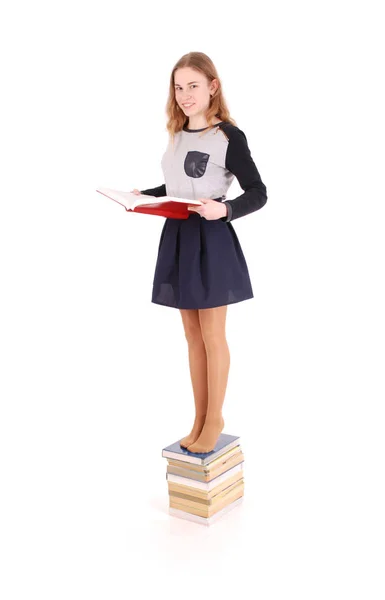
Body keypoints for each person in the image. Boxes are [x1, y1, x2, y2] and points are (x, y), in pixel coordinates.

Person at [132, 52, 268, 453]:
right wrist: (144, 195)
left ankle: (215, 418)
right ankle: (198, 416)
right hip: (178, 237)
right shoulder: (176, 133)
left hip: (211, 239)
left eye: (193, 85)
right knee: (191, 336)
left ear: (213, 86)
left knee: (212, 335)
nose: (185, 95)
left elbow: (259, 193)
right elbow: (176, 187)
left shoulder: (228, 136)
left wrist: (224, 209)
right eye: (178, 87)